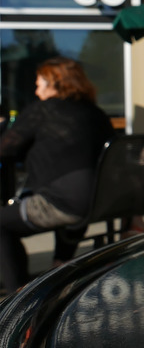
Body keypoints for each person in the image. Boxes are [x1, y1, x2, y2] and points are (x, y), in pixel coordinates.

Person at [0, 57, 115, 292]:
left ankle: (19, 297)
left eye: (40, 83)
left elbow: (6, 149)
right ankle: (59, 264)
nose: (36, 89)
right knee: (66, 193)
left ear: (56, 84)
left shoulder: (44, 109)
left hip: (65, 202)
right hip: (98, 201)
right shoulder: (96, 113)